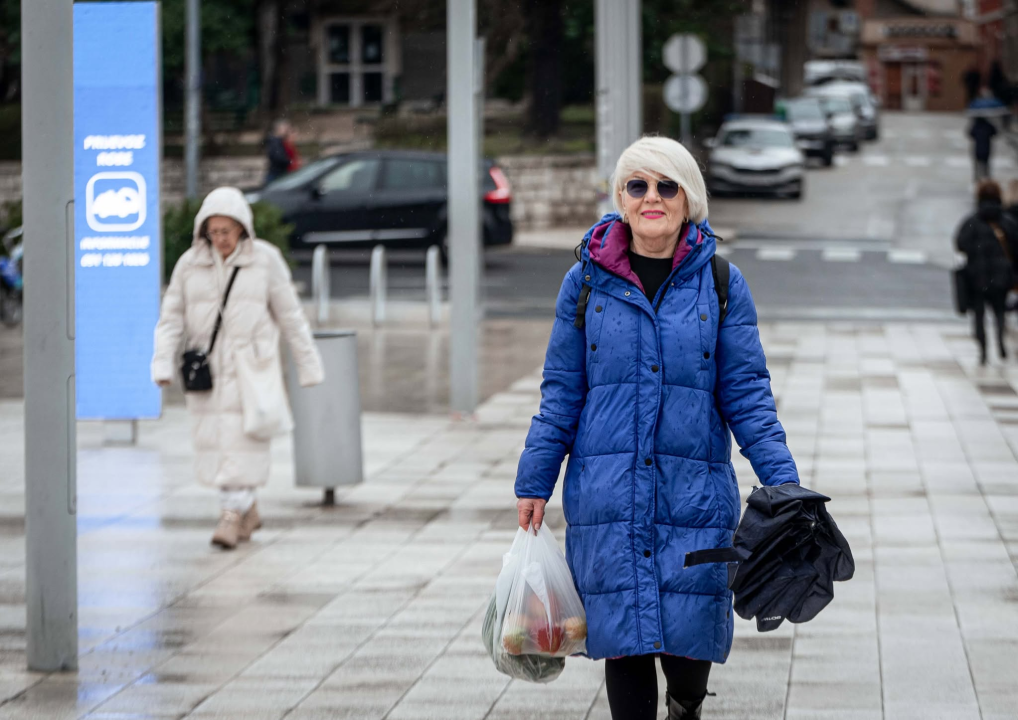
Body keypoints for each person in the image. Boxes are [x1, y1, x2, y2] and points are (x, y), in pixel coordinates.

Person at [514, 136, 800, 720]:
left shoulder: (720, 283)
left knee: (692, 631)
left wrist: (786, 486)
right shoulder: (586, 282)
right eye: (637, 185)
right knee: (624, 639)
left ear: (687, 197)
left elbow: (747, 394)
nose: (652, 198)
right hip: (608, 493)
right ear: (620, 197)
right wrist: (534, 479)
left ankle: (686, 705)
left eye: (666, 186)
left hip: (692, 494)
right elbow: (563, 390)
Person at [151, 187, 324, 549]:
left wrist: (308, 365)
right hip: (207, 371)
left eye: (226, 231)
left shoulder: (266, 260)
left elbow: (291, 316)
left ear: (242, 228)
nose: (220, 239)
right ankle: (248, 509)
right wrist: (162, 362)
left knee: (244, 443)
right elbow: (170, 319)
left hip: (252, 370)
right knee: (217, 444)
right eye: (213, 232)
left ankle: (230, 516)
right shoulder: (189, 264)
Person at [956, 180, 1018, 365]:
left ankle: (983, 350)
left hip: (977, 275)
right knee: (1000, 310)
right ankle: (1000, 341)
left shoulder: (972, 221)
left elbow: (960, 244)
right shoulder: (1007, 221)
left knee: (979, 313)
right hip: (1001, 274)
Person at [264, 119, 293, 184]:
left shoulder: (277, 141)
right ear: (280, 129)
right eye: (286, 129)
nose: (286, 132)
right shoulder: (275, 141)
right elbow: (277, 156)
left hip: (277, 172)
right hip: (276, 172)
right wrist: (289, 161)